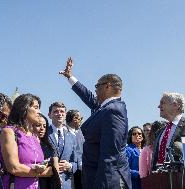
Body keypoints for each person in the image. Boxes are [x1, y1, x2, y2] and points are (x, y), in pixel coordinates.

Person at [59, 57, 132, 189]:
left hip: (108, 181)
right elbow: (89, 97)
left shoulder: (113, 110)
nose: (95, 90)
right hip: (96, 177)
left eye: (97, 86)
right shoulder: (105, 108)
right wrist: (70, 77)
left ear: (108, 86)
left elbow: (110, 154)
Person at [0, 94, 53, 189]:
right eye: (36, 107)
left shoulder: (34, 136)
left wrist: (43, 167)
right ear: (24, 108)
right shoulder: (9, 132)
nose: (39, 112)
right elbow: (14, 168)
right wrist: (45, 173)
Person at [47, 102, 78, 189]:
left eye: (62, 112)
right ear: (49, 115)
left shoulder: (73, 137)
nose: (59, 114)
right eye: (56, 111)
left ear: (65, 115)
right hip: (47, 182)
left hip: (66, 184)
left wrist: (70, 166)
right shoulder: (43, 134)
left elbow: (76, 162)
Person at [33, 113, 61, 189]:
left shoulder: (50, 146)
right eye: (38, 125)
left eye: (44, 126)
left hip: (48, 184)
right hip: (31, 183)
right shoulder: (26, 145)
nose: (42, 128)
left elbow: (56, 170)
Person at [66, 110, 84, 189]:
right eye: (81, 118)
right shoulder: (64, 132)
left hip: (81, 172)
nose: (81, 121)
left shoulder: (79, 133)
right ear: (75, 119)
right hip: (69, 173)